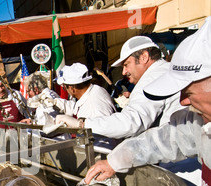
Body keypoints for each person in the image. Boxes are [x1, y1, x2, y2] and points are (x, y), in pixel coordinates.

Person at [83, 17, 211, 186]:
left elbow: (133, 122)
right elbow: (169, 138)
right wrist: (115, 161)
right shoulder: (202, 121)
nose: (183, 100)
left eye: (189, 90)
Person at [55, 36, 186, 138]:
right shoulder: (162, 72)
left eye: (126, 64)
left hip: (176, 163)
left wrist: (82, 124)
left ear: (144, 57)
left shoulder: (153, 78)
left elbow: (131, 122)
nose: (123, 72)